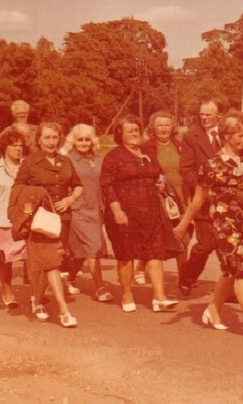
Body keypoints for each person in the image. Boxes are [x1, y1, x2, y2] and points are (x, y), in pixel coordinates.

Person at [173, 111, 243, 346]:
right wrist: (183, 224)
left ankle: (213, 309)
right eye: (239, 136)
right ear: (226, 135)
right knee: (241, 271)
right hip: (224, 223)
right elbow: (198, 200)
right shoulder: (211, 166)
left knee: (231, 270)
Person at [100, 114, 179, 313]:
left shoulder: (147, 152)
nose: (135, 133)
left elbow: (157, 174)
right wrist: (117, 211)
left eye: (136, 130)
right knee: (126, 256)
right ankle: (127, 294)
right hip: (124, 215)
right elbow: (107, 186)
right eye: (130, 131)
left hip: (151, 212)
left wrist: (160, 184)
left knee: (155, 253)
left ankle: (159, 297)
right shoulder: (113, 157)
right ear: (120, 134)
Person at [13, 122, 83, 328]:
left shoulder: (65, 160)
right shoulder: (30, 163)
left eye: (55, 137)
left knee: (52, 262)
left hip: (62, 219)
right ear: (39, 140)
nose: (51, 142)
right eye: (47, 138)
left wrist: (70, 200)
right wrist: (31, 210)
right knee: (49, 263)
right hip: (40, 220)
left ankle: (37, 298)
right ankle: (63, 311)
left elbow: (78, 185)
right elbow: (18, 189)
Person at [178, 99, 226, 296]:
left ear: (219, 116)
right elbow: (186, 169)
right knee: (205, 245)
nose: (204, 118)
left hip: (227, 200)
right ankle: (187, 277)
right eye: (202, 114)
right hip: (203, 199)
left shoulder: (228, 133)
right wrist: (203, 186)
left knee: (226, 245)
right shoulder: (191, 136)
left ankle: (228, 289)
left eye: (208, 114)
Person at [63, 124, 112, 303]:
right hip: (78, 210)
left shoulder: (98, 160)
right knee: (93, 248)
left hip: (97, 210)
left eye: (87, 139)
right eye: (80, 139)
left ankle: (69, 279)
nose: (84, 143)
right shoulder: (67, 160)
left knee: (80, 252)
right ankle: (100, 287)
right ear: (73, 141)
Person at [0, 127, 28, 308]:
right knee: (5, 261)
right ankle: (7, 291)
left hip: (24, 221)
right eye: (13, 145)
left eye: (20, 145)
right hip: (3, 222)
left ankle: (36, 294)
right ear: (4, 148)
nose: (18, 149)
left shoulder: (27, 167)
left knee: (31, 258)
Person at [142, 110, 187, 283]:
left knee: (183, 235)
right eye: (159, 125)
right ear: (152, 128)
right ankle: (145, 270)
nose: (164, 128)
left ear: (173, 127)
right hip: (159, 198)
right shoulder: (146, 148)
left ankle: (184, 277)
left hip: (181, 196)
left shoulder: (180, 145)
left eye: (167, 125)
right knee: (158, 237)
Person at [0, 99, 37, 165]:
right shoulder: (5, 133)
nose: (22, 115)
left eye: (25, 113)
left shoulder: (38, 130)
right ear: (13, 114)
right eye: (19, 113)